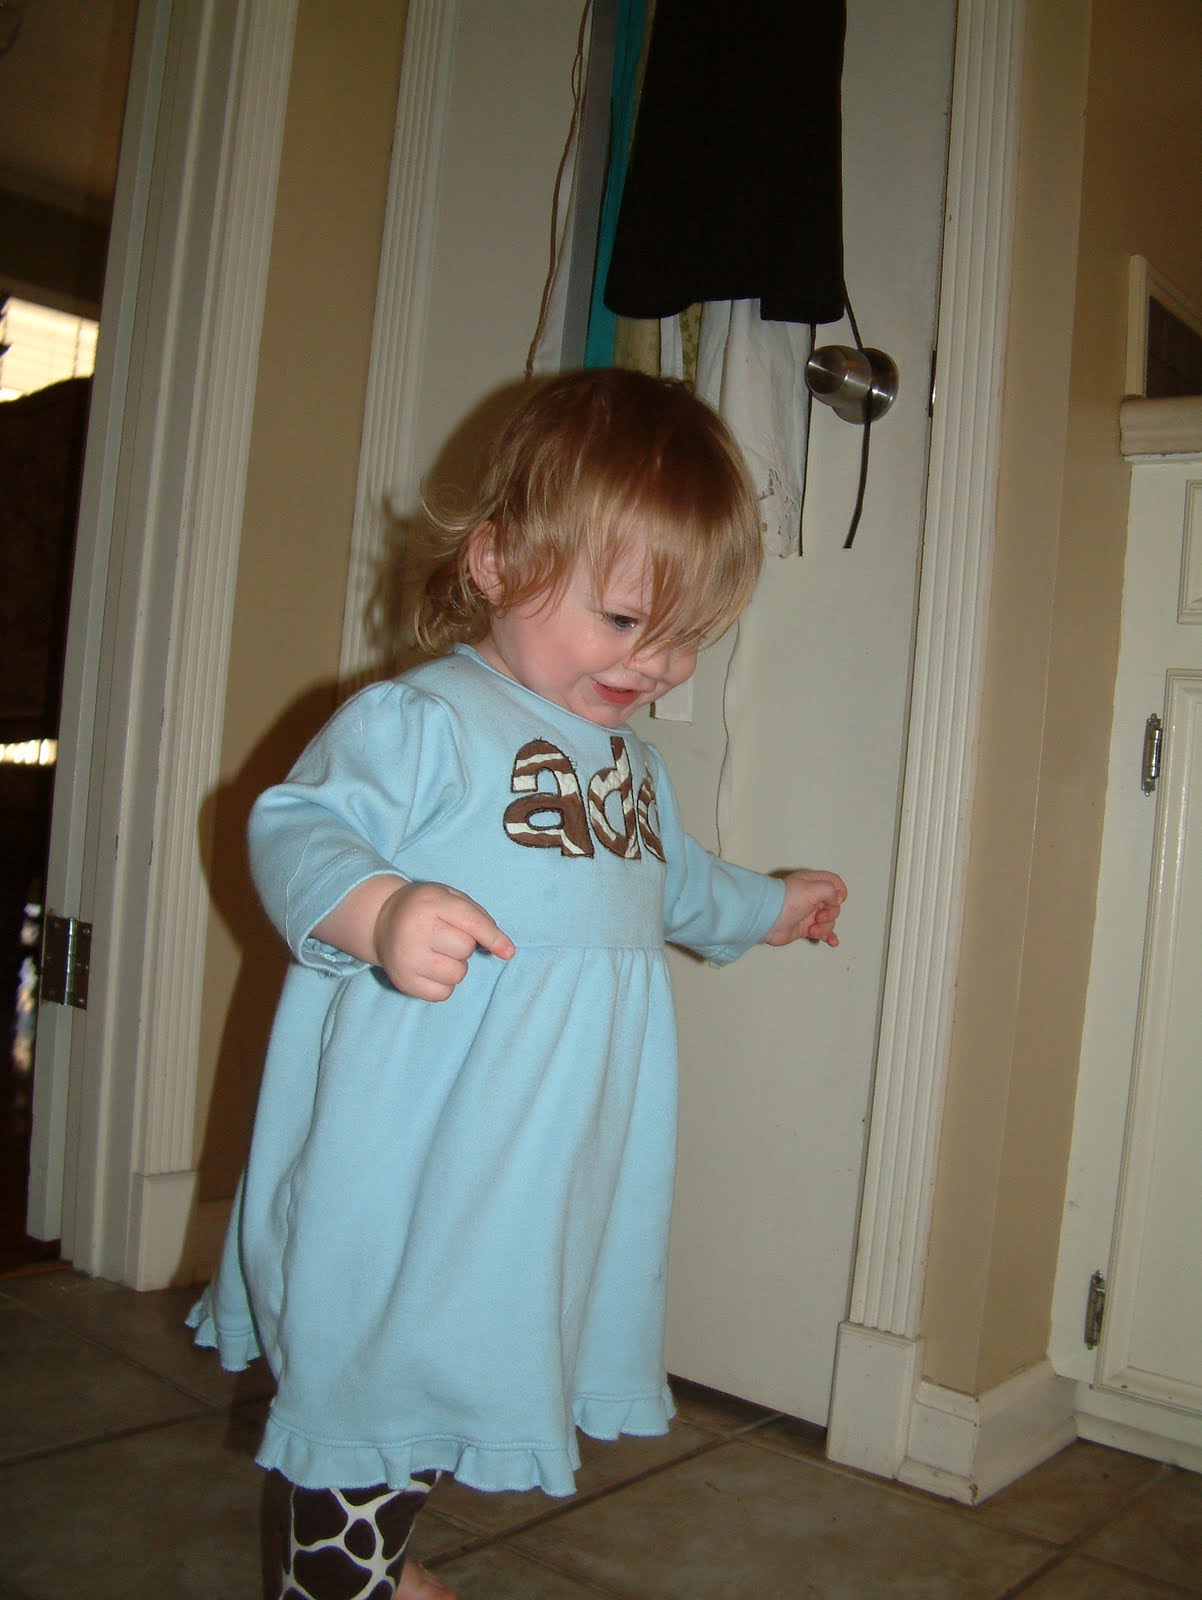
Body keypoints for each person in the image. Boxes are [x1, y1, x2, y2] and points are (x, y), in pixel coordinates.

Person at [189, 368, 846, 1600]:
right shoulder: (423, 720)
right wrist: (380, 911)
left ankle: (380, 1555)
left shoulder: (632, 775)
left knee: (454, 1361)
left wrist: (772, 905)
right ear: (495, 561)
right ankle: (342, 1578)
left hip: (537, 1164)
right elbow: (295, 826)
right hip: (413, 1152)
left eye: (687, 637)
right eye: (623, 619)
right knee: (378, 1368)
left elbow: (677, 885)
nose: (657, 664)